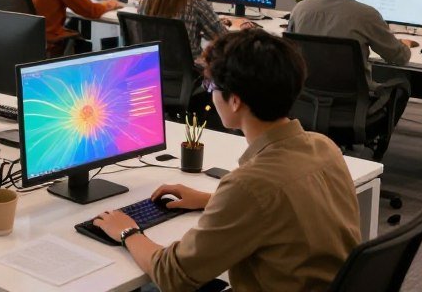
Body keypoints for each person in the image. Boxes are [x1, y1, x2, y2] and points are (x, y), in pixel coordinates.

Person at [93, 29, 361, 291]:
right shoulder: (324, 147)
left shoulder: (251, 185)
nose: (209, 93)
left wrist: (128, 232)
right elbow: (286, 207)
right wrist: (210, 200)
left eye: (211, 85)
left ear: (234, 101)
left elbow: (173, 275)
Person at [287, 0, 414, 128]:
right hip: (351, 108)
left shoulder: (301, 9)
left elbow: (289, 51)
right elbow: (400, 58)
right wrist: (403, 43)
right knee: (402, 81)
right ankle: (378, 147)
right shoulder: (367, 15)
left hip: (306, 103)